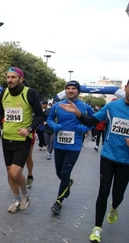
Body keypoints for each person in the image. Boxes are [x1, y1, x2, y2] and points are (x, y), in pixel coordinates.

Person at [60, 79, 129, 243]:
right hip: (108, 156)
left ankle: (114, 207)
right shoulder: (112, 107)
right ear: (126, 88)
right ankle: (97, 228)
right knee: (103, 191)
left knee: (118, 195)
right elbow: (91, 122)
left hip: (126, 161)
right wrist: (77, 113)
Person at [0, 67, 43, 213]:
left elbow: (39, 115)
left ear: (21, 79)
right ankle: (16, 200)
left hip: (22, 139)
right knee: (9, 174)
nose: (10, 80)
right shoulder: (4, 93)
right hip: (6, 138)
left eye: (13, 77)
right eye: (8, 77)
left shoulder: (30, 93)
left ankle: (25, 195)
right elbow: (1, 111)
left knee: (15, 173)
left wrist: (29, 129)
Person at [46, 80, 93, 215]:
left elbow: (93, 121)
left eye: (73, 88)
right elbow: (49, 119)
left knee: (65, 173)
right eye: (68, 88)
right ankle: (67, 184)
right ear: (65, 91)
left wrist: (83, 128)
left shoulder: (84, 107)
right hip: (59, 144)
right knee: (59, 173)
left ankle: (58, 202)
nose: (70, 91)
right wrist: (54, 126)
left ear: (78, 91)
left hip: (74, 146)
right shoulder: (57, 105)